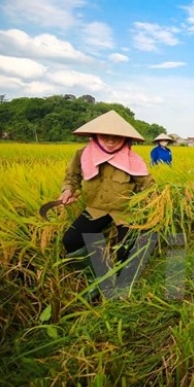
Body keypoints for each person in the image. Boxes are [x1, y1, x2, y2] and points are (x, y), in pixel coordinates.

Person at [58, 110, 155, 291]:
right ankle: (96, 277)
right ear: (95, 136)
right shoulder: (83, 155)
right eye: (105, 136)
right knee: (71, 240)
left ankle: (122, 285)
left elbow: (148, 185)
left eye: (116, 137)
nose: (110, 141)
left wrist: (156, 205)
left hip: (125, 211)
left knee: (126, 248)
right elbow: (72, 177)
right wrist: (68, 190)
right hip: (96, 208)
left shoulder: (132, 160)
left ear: (125, 139)